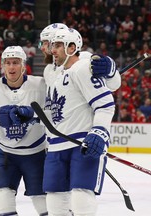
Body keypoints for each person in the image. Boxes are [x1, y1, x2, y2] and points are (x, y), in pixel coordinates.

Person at [43, 28, 115, 215]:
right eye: (53, 45)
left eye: (58, 45)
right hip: (57, 145)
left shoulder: (83, 68)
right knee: (54, 201)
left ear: (72, 47)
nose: (53, 50)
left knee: (81, 197)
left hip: (82, 141)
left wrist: (99, 133)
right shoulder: (55, 75)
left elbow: (105, 104)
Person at [0, 46, 48, 216]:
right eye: (8, 63)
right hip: (6, 153)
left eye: (16, 63)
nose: (12, 67)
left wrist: (34, 114)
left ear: (24, 66)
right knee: (3, 200)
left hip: (36, 154)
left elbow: (55, 113)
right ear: (3, 66)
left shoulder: (41, 85)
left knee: (43, 203)